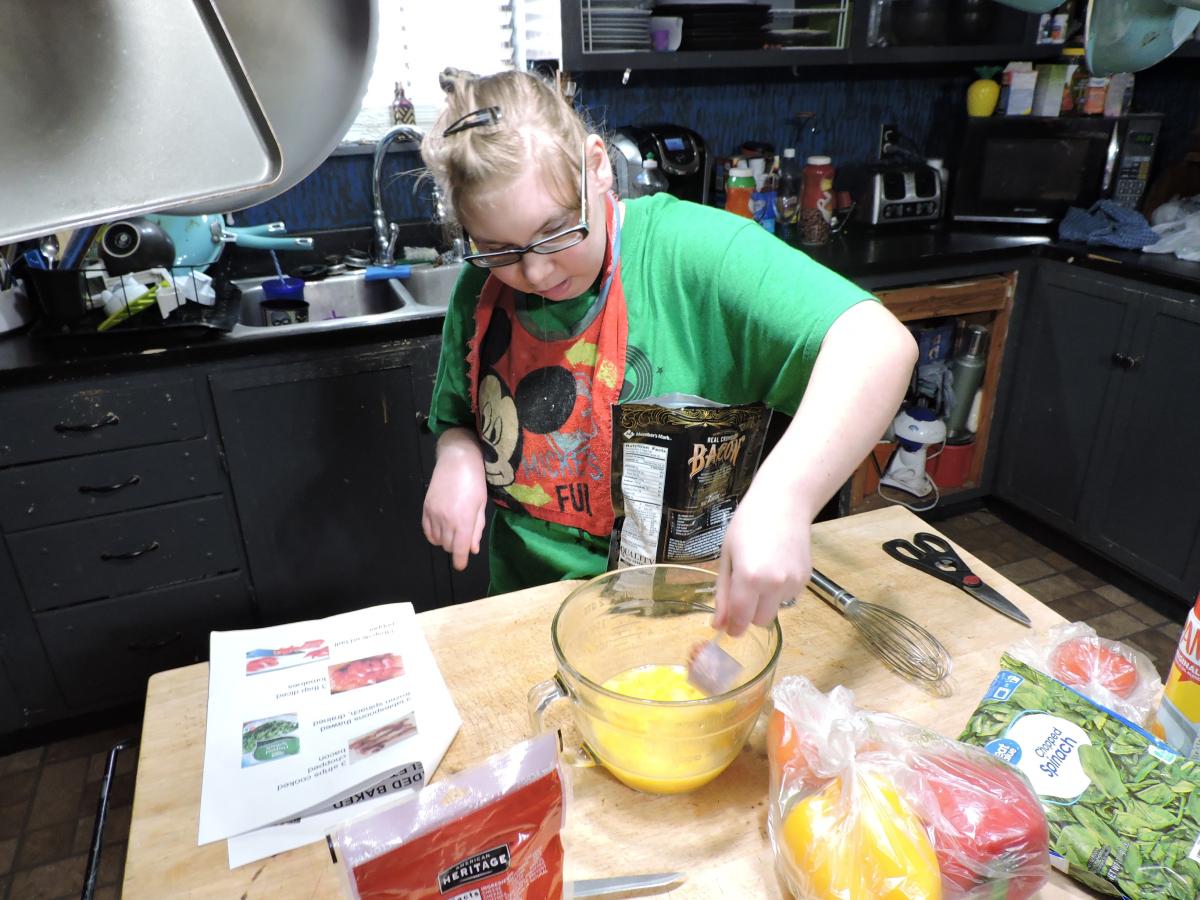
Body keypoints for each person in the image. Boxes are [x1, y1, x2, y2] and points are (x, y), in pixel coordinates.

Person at [419, 68, 917, 637]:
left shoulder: (698, 255)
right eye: (500, 249)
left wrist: (785, 500)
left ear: (598, 165)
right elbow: (460, 417)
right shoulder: (482, 289)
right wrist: (457, 458)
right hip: (526, 618)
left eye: (557, 231)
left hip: (684, 622)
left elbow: (878, 344)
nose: (533, 271)